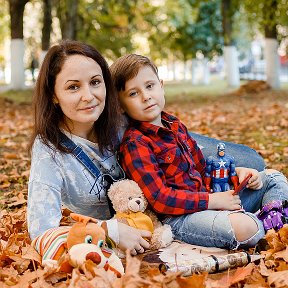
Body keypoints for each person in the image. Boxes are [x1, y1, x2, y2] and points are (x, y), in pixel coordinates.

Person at [110, 53, 288, 249]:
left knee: (273, 178)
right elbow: (161, 199)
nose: (146, 96)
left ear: (161, 85)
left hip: (211, 195)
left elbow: (202, 168)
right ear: (120, 106)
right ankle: (263, 224)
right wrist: (212, 201)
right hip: (180, 219)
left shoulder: (174, 125)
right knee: (248, 228)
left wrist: (235, 173)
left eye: (150, 86)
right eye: (133, 93)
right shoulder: (135, 143)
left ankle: (274, 222)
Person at [27, 40, 152, 257]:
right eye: (73, 87)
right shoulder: (49, 149)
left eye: (95, 82)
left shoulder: (122, 124)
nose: (89, 96)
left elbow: (184, 145)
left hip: (159, 228)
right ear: (54, 95)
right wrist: (109, 231)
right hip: (109, 256)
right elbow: (41, 233)